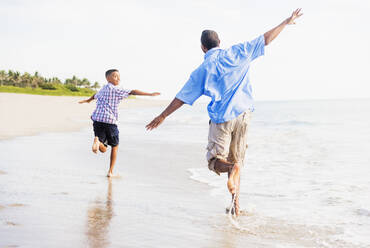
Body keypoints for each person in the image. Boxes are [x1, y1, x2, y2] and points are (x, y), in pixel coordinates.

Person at [146, 9, 303, 216]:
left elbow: (182, 98)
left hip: (222, 119)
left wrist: (163, 115)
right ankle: (236, 206)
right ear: (219, 42)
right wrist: (285, 22)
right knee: (237, 161)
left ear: (203, 48)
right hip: (244, 115)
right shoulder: (239, 51)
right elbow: (266, 39)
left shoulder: (202, 70)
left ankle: (231, 178)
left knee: (216, 162)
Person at [79, 69, 160, 177]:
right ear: (108, 78)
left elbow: (95, 95)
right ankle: (110, 172)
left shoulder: (103, 88)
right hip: (110, 121)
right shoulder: (116, 89)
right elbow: (133, 91)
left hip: (97, 120)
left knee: (103, 149)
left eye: (119, 76)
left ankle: (98, 142)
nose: (118, 78)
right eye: (115, 76)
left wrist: (88, 100)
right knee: (115, 146)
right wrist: (150, 94)